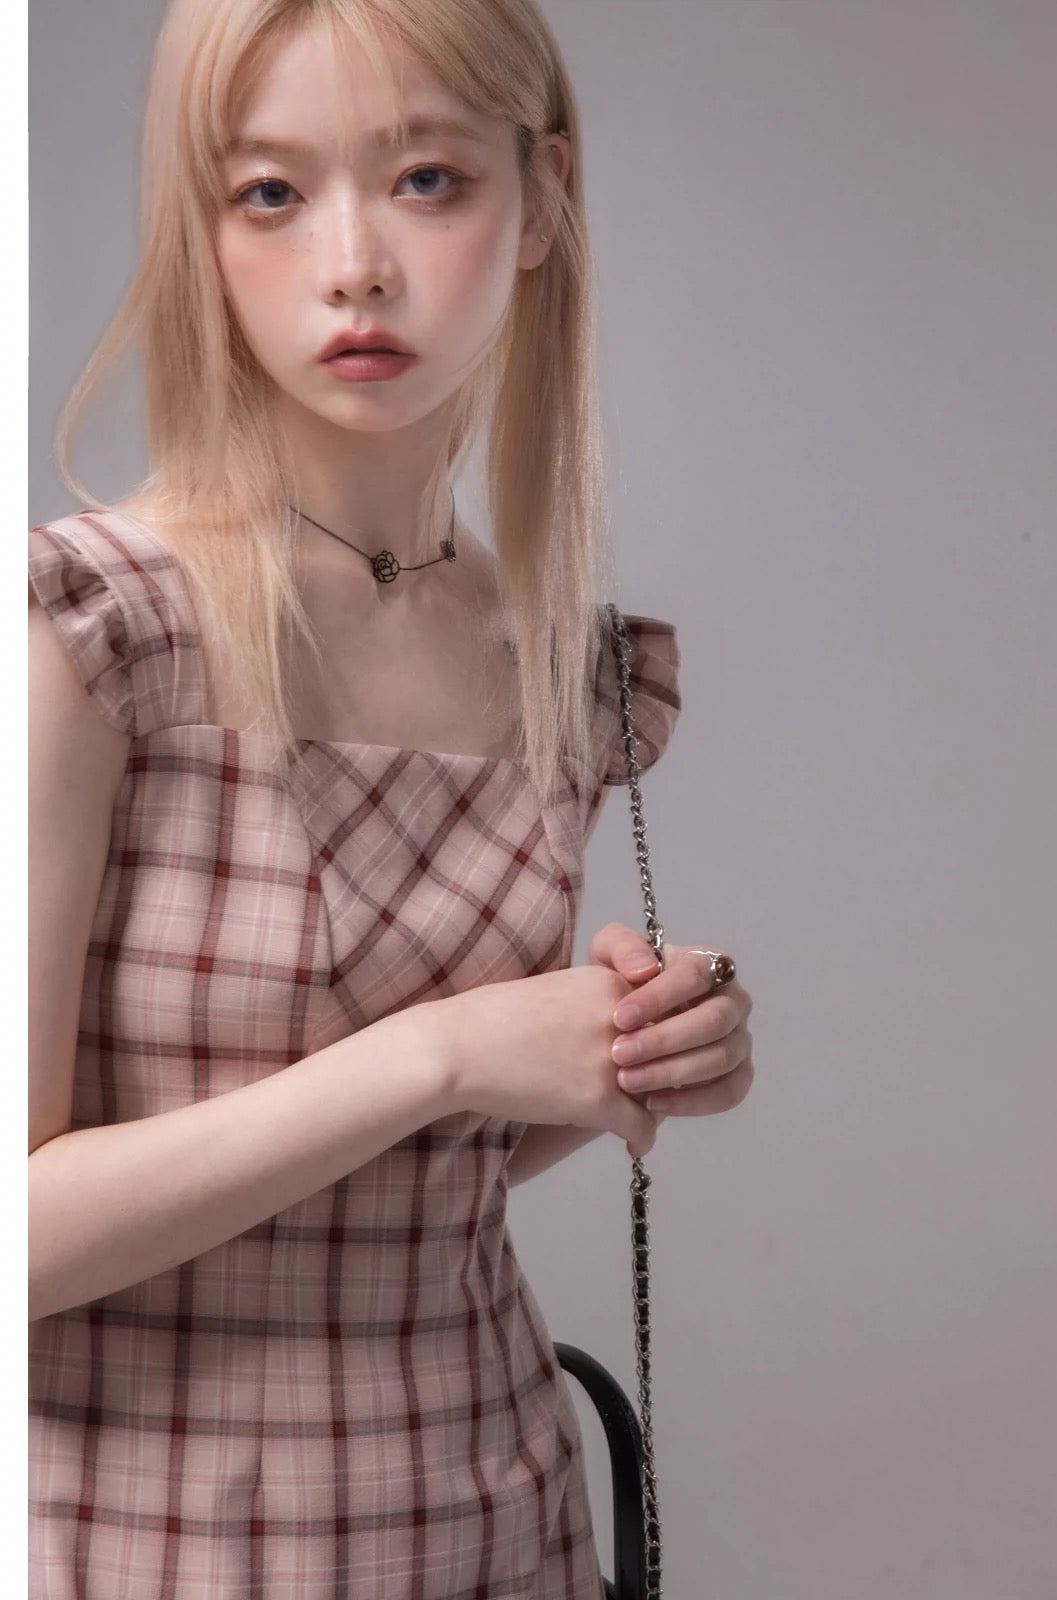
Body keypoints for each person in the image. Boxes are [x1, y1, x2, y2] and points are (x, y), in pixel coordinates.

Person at [27, 1, 755, 1595]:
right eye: (271, 193)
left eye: (426, 178)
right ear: (203, 233)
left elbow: (413, 1178)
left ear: (542, 198)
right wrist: (444, 1052)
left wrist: (624, 1053)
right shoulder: (90, 631)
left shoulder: (559, 667)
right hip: (150, 1547)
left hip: (493, 1519)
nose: (353, 264)